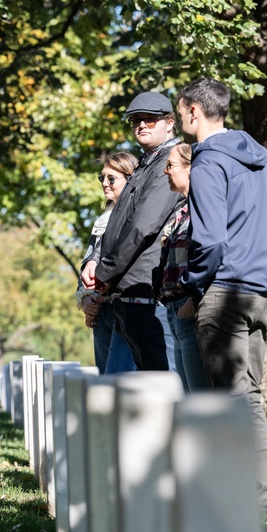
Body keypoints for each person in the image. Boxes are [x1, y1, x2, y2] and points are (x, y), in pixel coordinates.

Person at [176, 77, 267, 519]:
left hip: (224, 293)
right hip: (262, 291)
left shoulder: (208, 163)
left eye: (181, 110)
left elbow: (208, 239)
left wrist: (195, 285)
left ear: (192, 112)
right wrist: (258, 264)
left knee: (228, 402)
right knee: (250, 398)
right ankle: (263, 501)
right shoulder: (260, 160)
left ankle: (243, 501)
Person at [80, 91, 183, 371]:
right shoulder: (146, 162)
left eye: (150, 119)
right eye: (136, 120)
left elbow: (142, 227)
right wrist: (96, 262)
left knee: (164, 386)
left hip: (149, 293)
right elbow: (119, 223)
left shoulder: (168, 162)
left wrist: (105, 273)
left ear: (170, 122)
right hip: (128, 294)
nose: (142, 125)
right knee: (145, 388)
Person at [77, 152, 139, 374]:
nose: (104, 183)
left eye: (111, 178)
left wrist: (102, 291)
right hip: (100, 313)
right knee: (105, 384)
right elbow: (89, 259)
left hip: (124, 308)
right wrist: (85, 299)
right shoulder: (103, 217)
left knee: (118, 383)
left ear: (130, 178)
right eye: (101, 177)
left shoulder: (137, 215)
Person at [156, 142, 209, 392]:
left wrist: (194, 299)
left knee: (200, 399)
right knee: (187, 398)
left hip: (190, 310)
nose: (166, 171)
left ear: (190, 168)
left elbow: (211, 254)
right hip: (173, 311)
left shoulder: (204, 206)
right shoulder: (180, 211)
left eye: (170, 165)